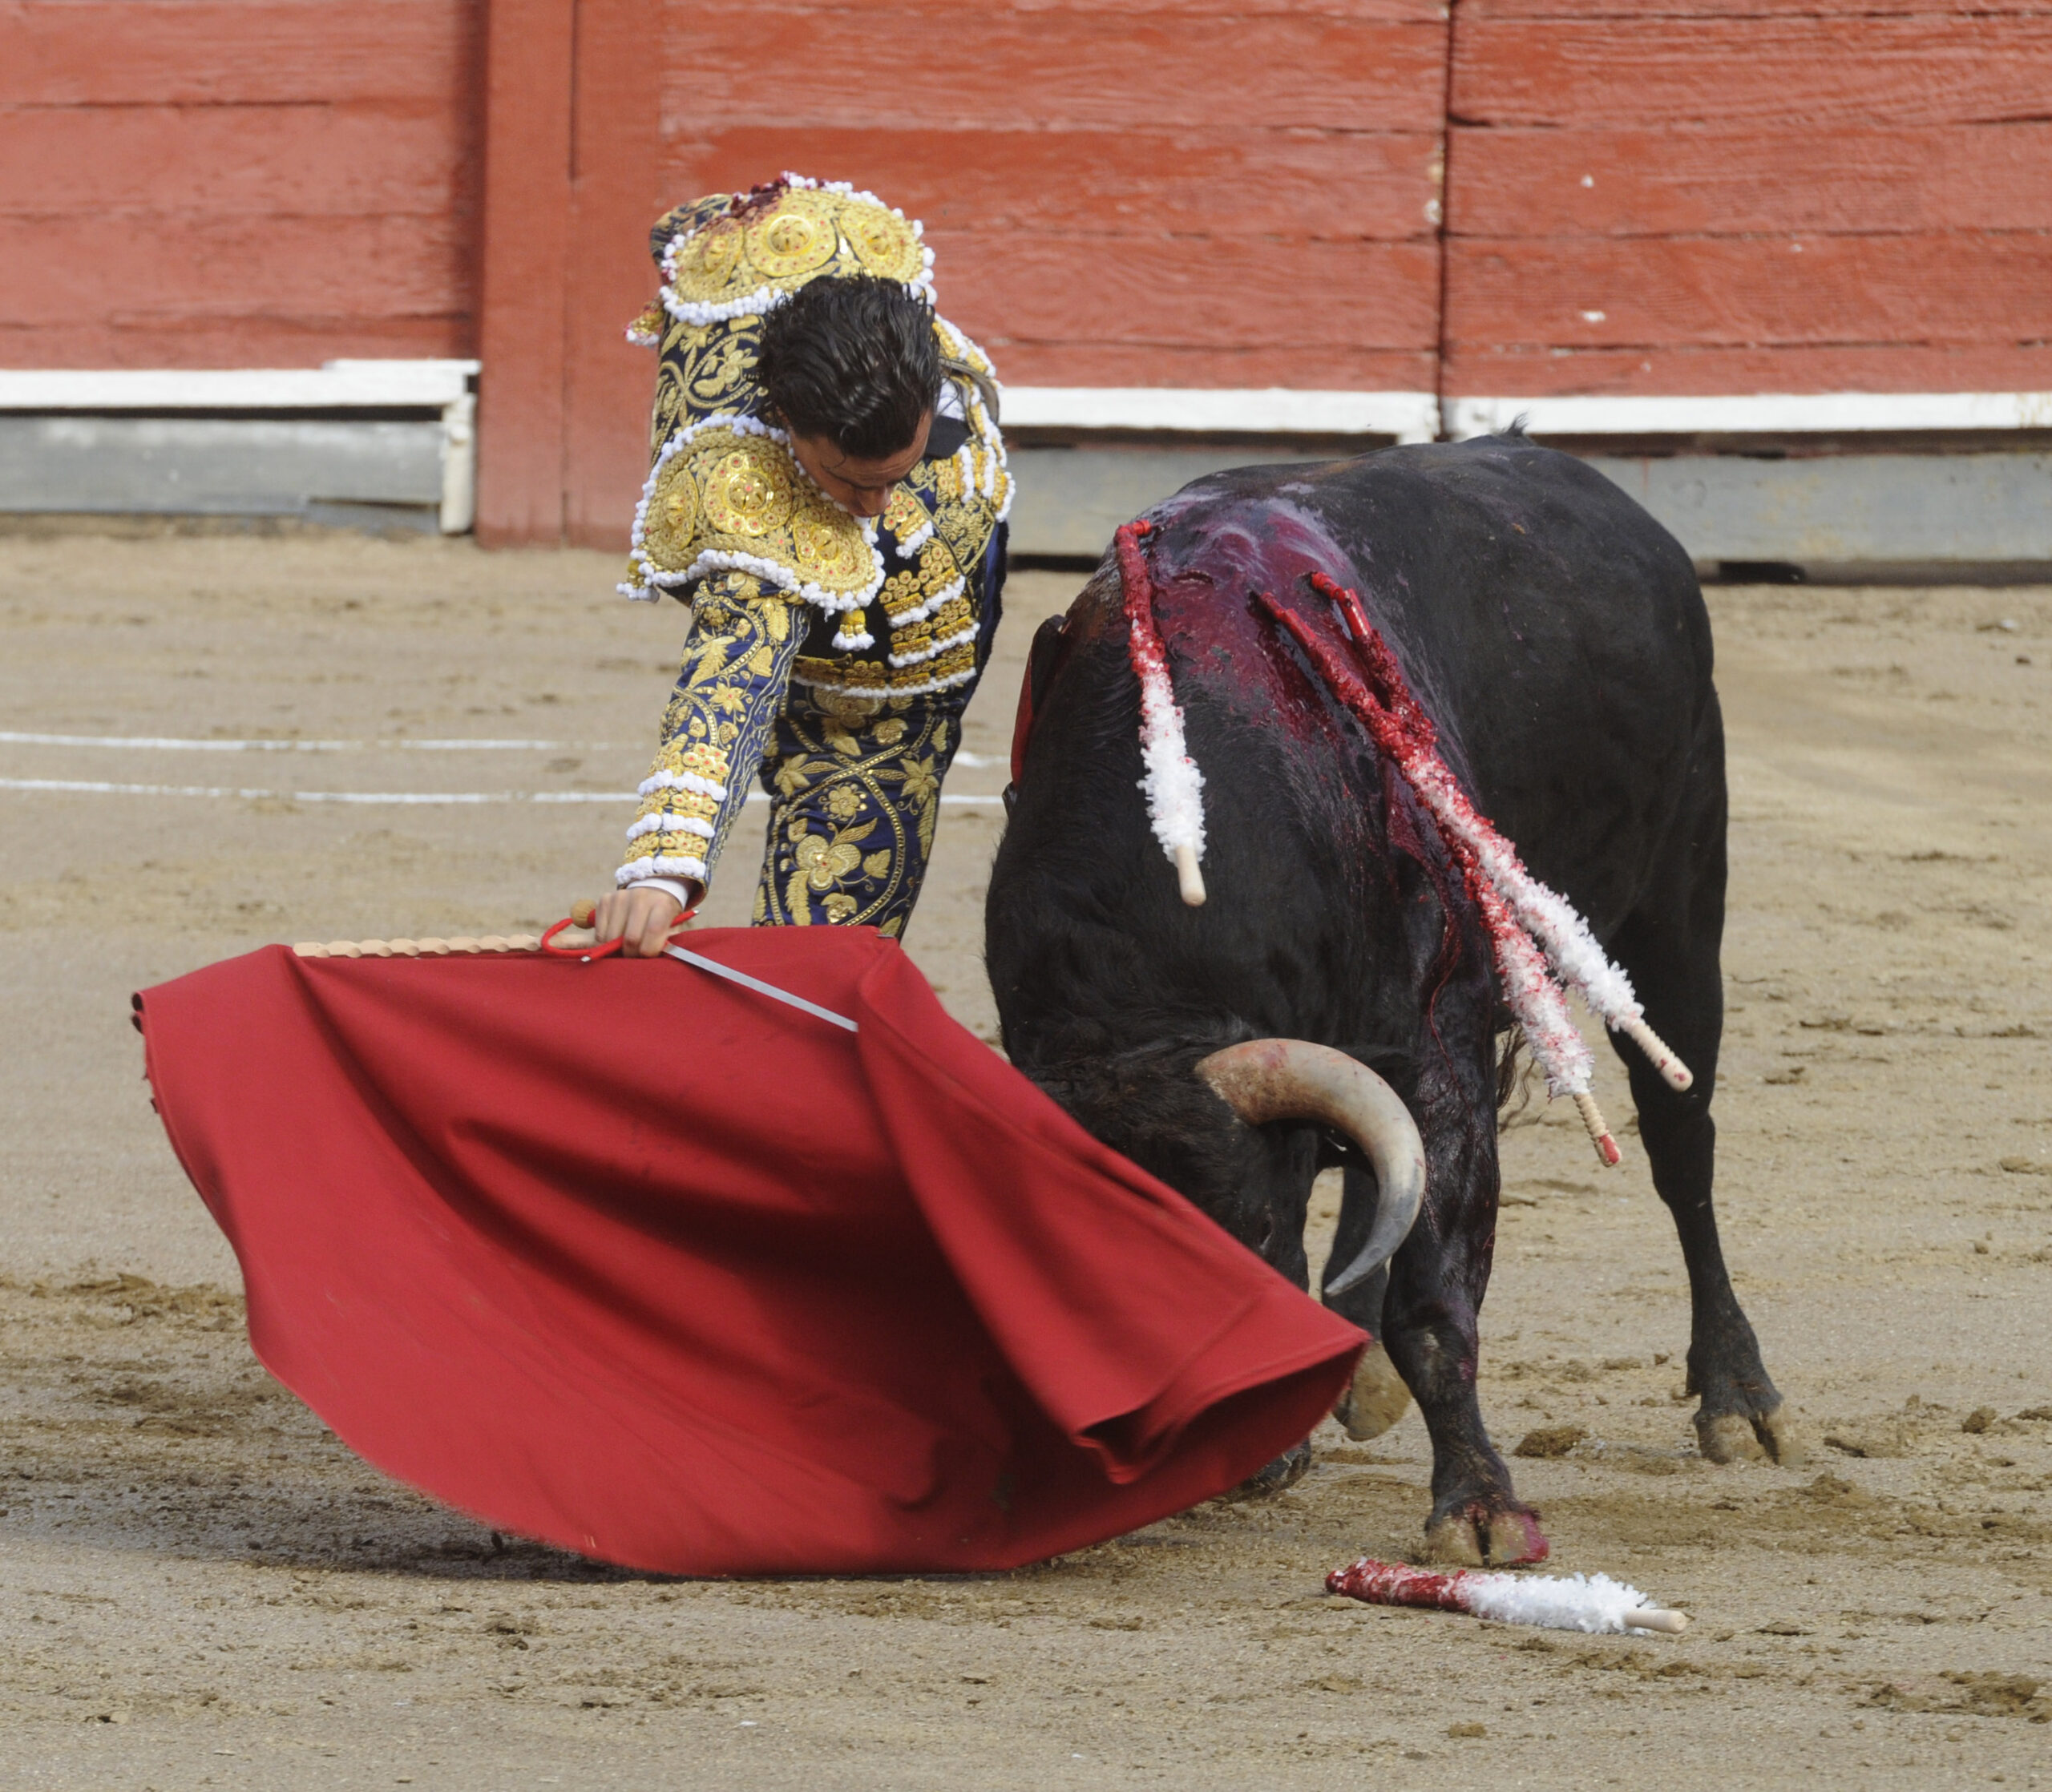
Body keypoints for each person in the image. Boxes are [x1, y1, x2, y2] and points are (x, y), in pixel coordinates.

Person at [593, 177, 1012, 955]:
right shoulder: (750, 507)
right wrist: (663, 870)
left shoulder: (833, 248)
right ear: (786, 422)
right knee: (811, 975)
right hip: (862, 700)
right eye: (852, 482)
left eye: (894, 477)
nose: (875, 506)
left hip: (919, 645)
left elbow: (689, 227)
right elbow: (728, 678)